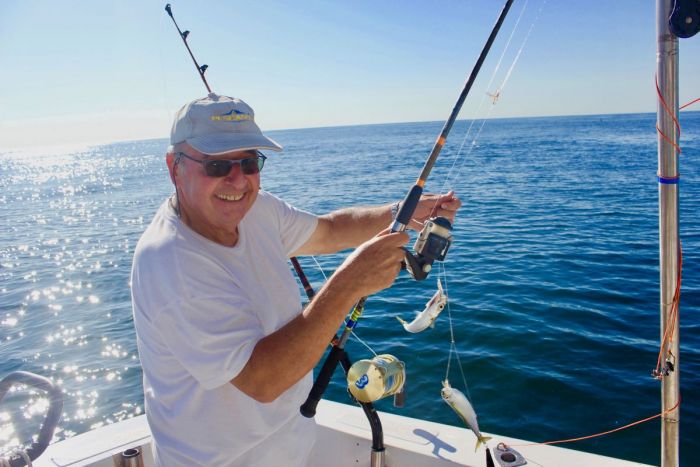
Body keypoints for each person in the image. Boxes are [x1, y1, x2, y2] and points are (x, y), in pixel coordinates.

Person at [130, 93, 461, 466]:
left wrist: (402, 212)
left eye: (249, 161)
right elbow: (263, 380)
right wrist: (350, 282)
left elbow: (330, 230)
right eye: (216, 165)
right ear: (174, 167)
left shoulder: (256, 208)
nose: (237, 179)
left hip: (291, 444)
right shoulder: (170, 262)